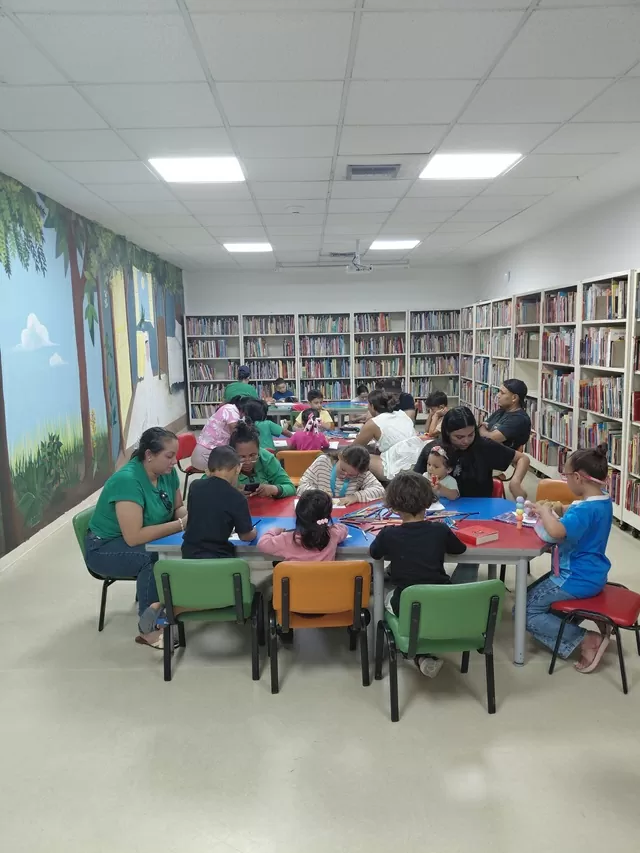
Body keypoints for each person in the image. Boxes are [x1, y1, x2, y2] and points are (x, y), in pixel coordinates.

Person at [85, 427, 187, 649]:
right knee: (151, 558)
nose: (174, 462)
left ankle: (169, 607)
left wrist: (192, 518)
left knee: (181, 549)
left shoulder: (167, 474)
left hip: (141, 539)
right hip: (104, 547)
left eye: (175, 456)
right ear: (149, 455)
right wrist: (180, 525)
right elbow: (134, 537)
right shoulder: (128, 481)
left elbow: (177, 507)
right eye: (169, 456)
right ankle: (147, 629)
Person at [414, 407, 529, 583]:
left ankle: (457, 593)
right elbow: (413, 481)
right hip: (438, 512)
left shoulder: (484, 446)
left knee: (470, 552)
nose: (466, 441)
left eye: (470, 434)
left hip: (479, 513)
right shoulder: (434, 450)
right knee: (417, 543)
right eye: (459, 437)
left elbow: (522, 459)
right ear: (447, 433)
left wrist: (515, 482)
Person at [526, 444, 613, 674]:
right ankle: (575, 623)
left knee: (524, 613)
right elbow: (578, 512)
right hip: (593, 573)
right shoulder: (602, 500)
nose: (565, 481)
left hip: (574, 577)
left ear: (577, 477)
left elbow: (556, 532)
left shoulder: (582, 511)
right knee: (535, 600)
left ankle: (586, 639)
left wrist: (545, 512)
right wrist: (558, 509)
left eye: (565, 476)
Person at [370, 471, 466, 678]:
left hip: (407, 602)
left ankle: (404, 647)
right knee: (418, 598)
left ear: (393, 507)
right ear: (429, 501)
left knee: (385, 591)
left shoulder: (389, 533)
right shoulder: (440, 530)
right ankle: (420, 654)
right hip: (443, 599)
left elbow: (374, 553)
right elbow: (459, 549)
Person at [182, 446, 257, 559]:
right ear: (238, 468)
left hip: (188, 554)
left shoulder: (195, 487)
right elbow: (245, 536)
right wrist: (254, 531)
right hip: (218, 559)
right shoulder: (237, 498)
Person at [258, 490, 348, 561]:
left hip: (295, 584)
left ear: (298, 513)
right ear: (327, 516)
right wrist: (328, 526)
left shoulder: (286, 539)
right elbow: (344, 528)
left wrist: (274, 530)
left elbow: (262, 544)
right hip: (325, 584)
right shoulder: (333, 534)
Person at [352, 389, 422, 482]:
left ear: (372, 406)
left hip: (400, 467)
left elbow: (353, 449)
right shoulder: (402, 414)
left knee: (358, 457)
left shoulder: (373, 423)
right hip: (420, 461)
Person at [297, 444, 385, 505]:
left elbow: (380, 490)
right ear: (340, 456)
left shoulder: (362, 473)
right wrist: (317, 494)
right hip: (319, 513)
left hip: (345, 515)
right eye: (343, 469)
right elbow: (302, 486)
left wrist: (355, 497)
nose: (346, 475)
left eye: (352, 475)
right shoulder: (323, 462)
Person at [229, 420, 296, 498]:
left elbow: (291, 488)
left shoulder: (267, 458)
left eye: (252, 455)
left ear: (259, 450)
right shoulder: (226, 465)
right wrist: (232, 494)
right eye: (242, 457)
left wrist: (274, 489)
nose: (248, 462)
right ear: (233, 453)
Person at [191, 395, 251, 471]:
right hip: (204, 457)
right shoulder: (231, 411)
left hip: (209, 453)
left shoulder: (231, 408)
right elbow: (236, 435)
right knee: (238, 466)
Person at [479, 378, 531, 450]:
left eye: (502, 393)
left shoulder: (519, 419)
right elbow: (483, 429)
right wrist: (483, 429)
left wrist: (482, 427)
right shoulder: (502, 410)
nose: (498, 395)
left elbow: (490, 439)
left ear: (514, 398)